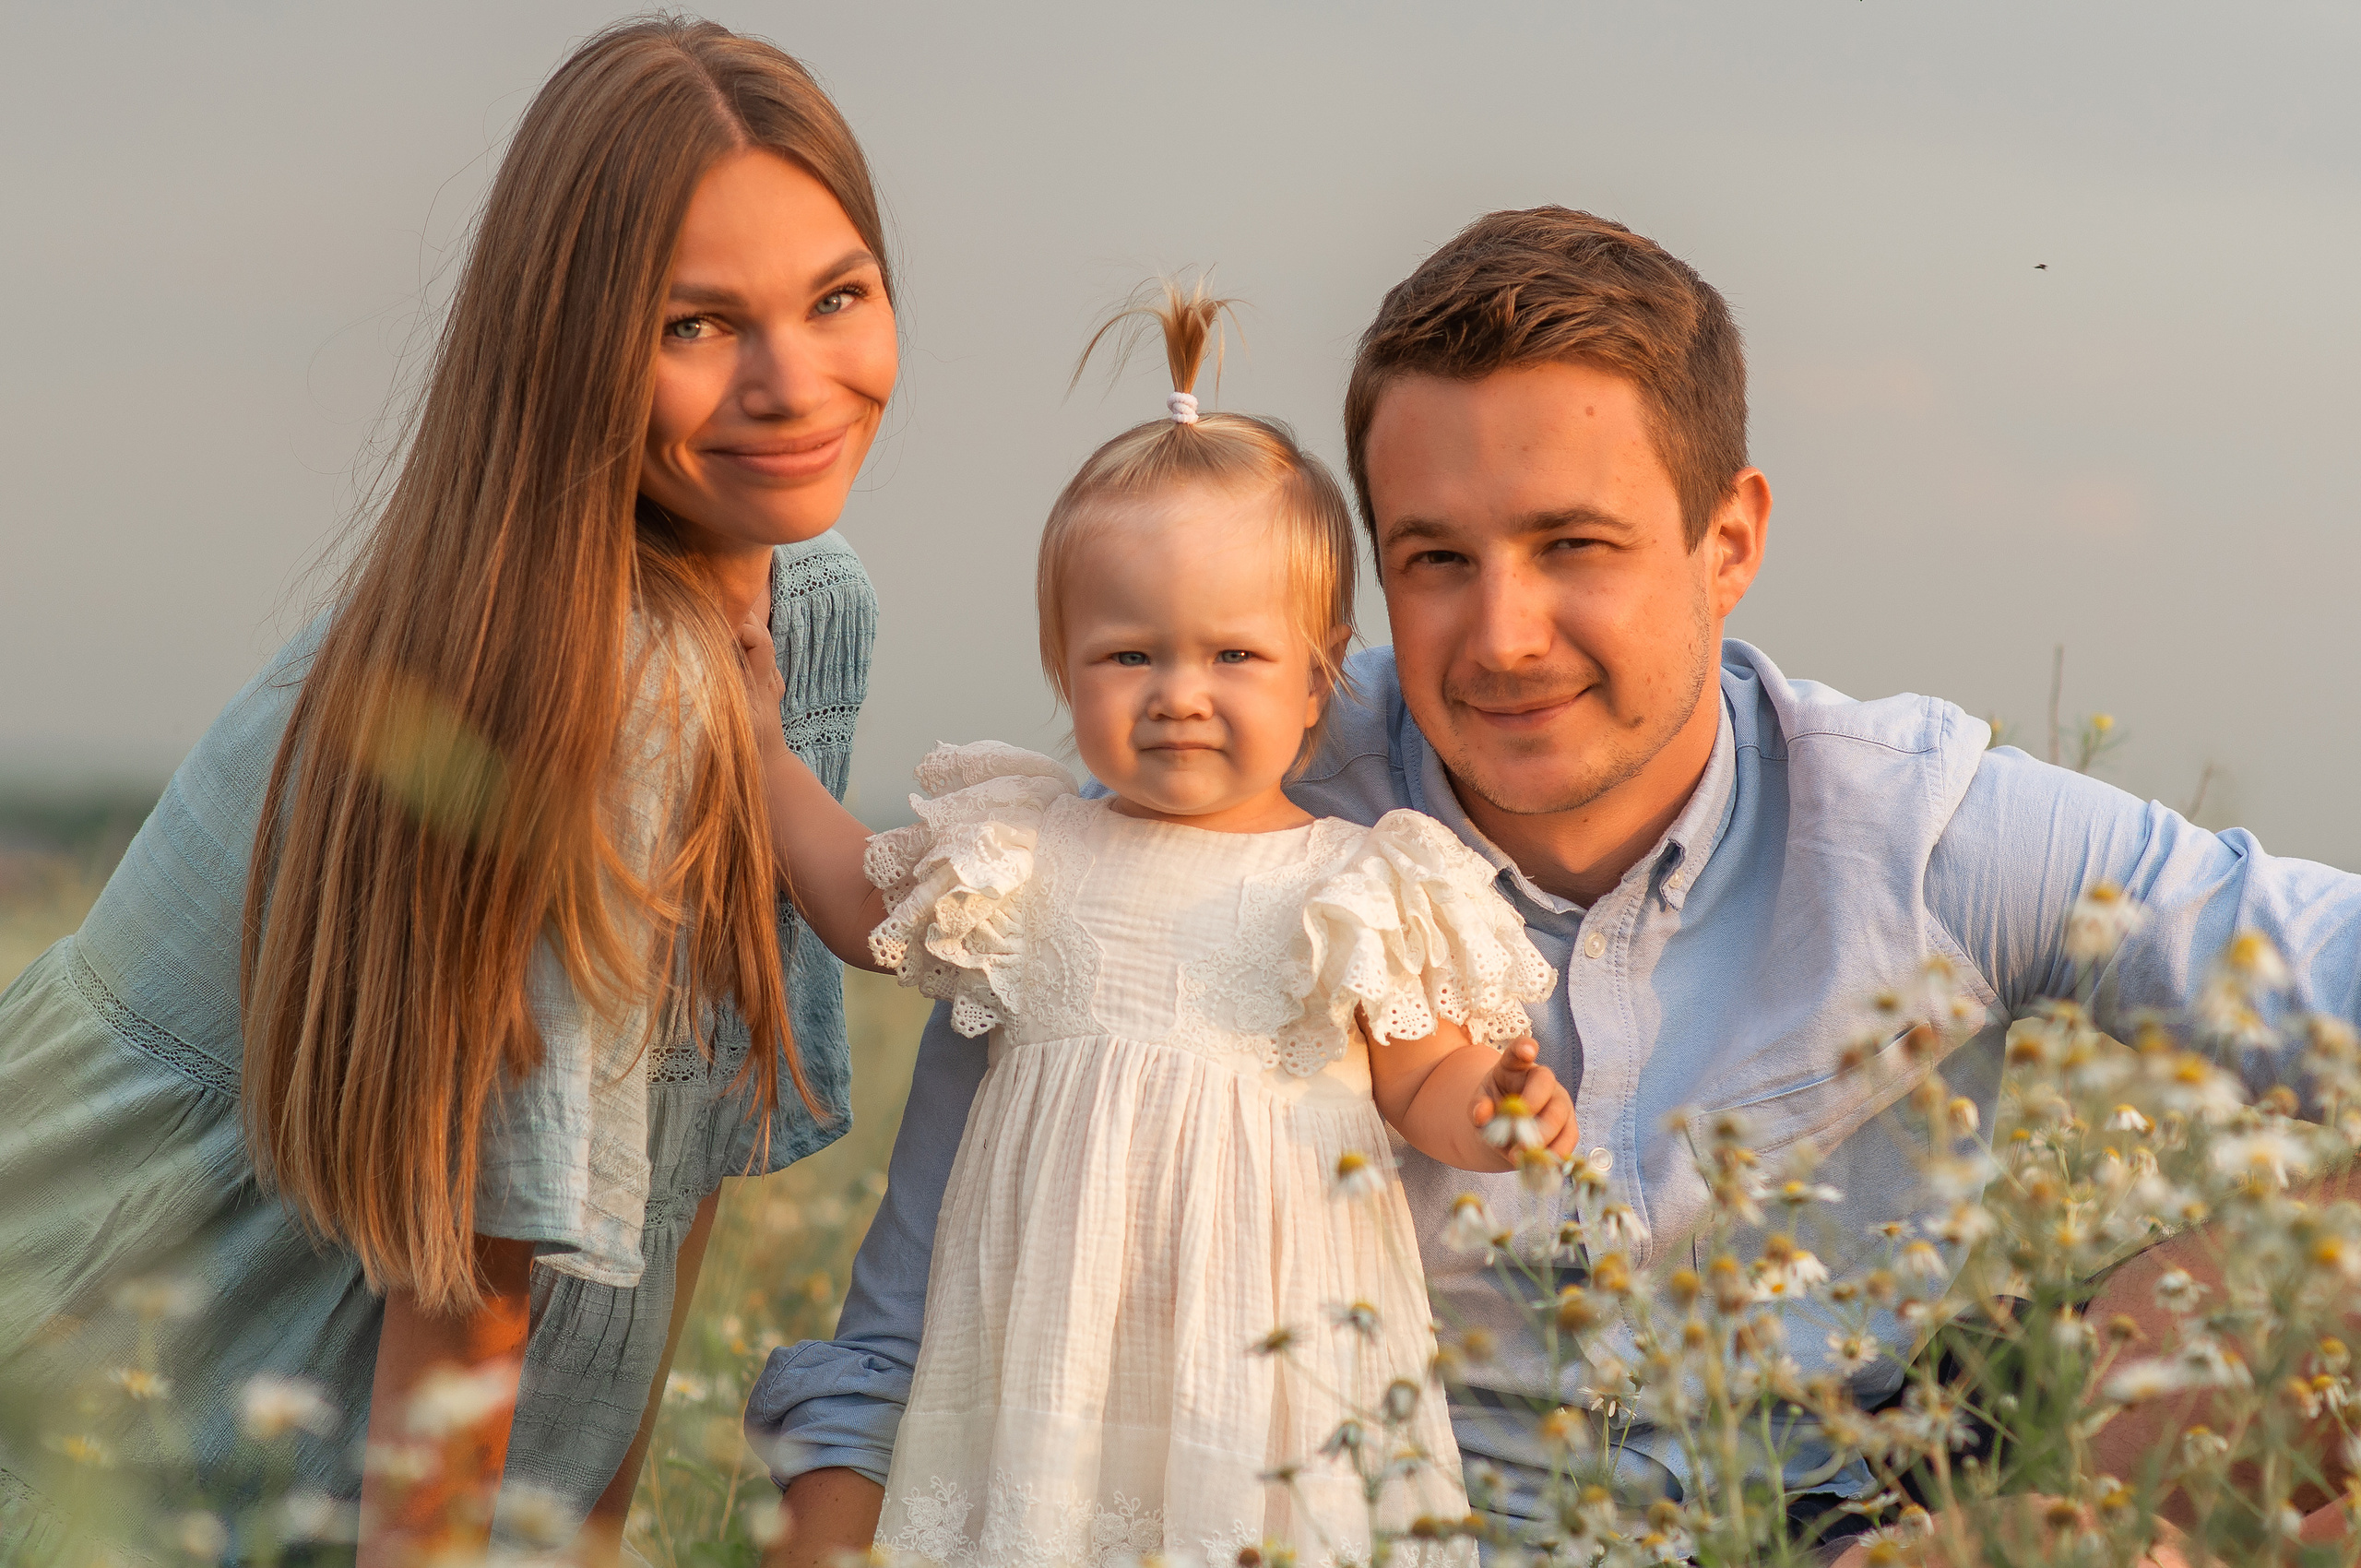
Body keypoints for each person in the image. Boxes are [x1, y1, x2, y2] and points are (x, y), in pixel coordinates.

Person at [749, 206, 2361, 1560]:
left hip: (1865, 1522)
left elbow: (2322, 962)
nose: (1503, 636)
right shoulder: (1202, 818)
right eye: (1438, 558)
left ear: (1728, 540)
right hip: (1381, 1527)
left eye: (1574, 546)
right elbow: (905, 1333)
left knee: (2331, 1280)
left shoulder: (1918, 827)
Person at [0, 19, 896, 1563]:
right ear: (570, 345)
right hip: (112, 1389)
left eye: (838, 297)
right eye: (695, 325)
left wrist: (586, 1535)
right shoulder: (597, 680)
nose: (792, 382)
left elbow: (683, 1149)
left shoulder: (804, 611)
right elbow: (467, 1283)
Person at [736, 281, 1576, 1565]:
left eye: (1232, 657)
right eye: (1129, 656)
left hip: (1266, 1371)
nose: (1179, 697)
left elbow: (1424, 1082)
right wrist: (765, 761)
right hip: (1047, 1360)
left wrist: (1499, 1105)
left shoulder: (1352, 883)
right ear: (1061, 661)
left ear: (1319, 674)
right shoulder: (1025, 852)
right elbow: (859, 907)